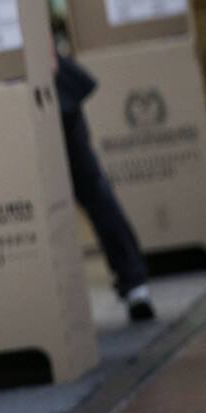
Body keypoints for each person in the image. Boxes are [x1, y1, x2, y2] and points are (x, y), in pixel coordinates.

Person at [56, 54, 155, 321]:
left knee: (91, 188)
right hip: (20, 96)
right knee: (93, 190)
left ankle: (134, 282)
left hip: (48, 93)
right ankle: (134, 283)